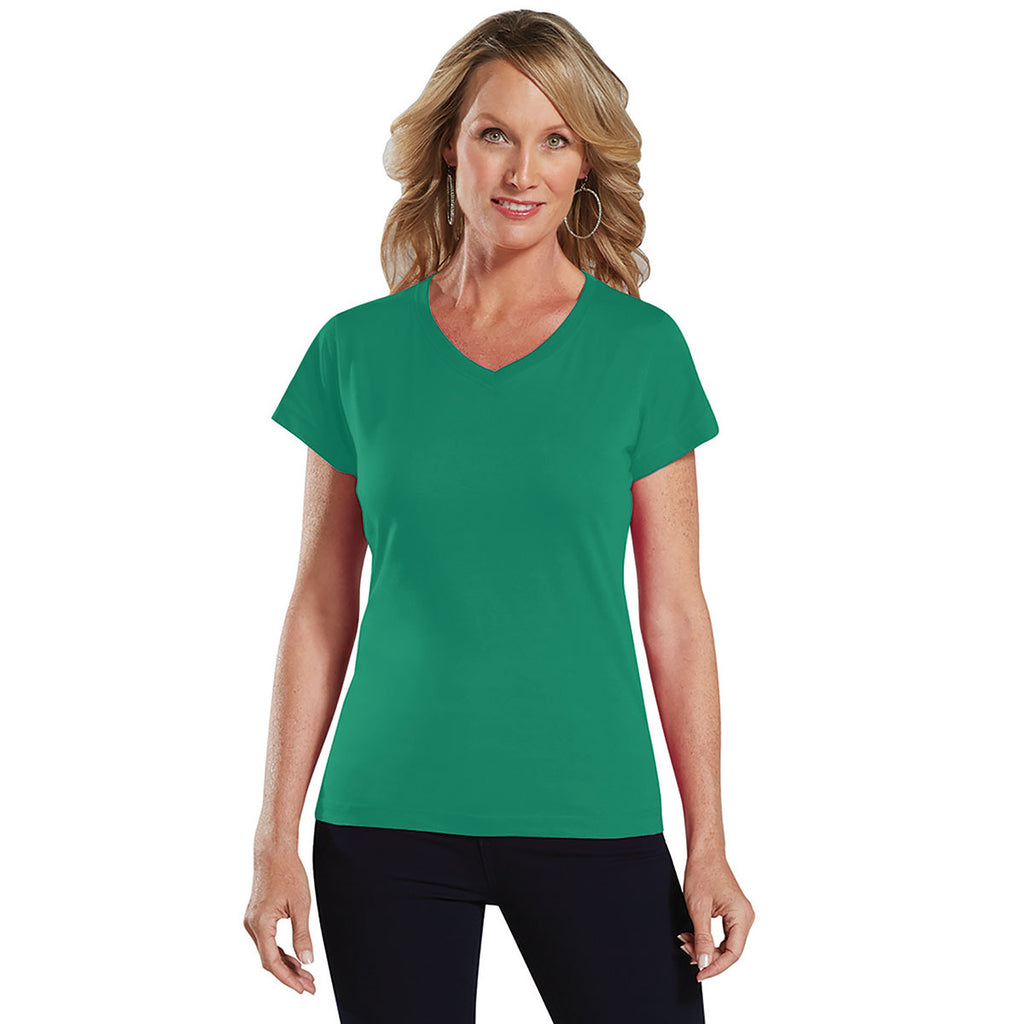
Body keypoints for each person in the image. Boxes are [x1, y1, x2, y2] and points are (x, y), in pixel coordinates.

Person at [244, 10, 754, 1023]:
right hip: (384, 816)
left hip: (591, 808)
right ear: (450, 147)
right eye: (495, 133)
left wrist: (708, 843)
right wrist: (273, 836)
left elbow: (675, 614)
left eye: (555, 139)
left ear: (585, 163)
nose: (523, 171)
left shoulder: (642, 351)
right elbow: (320, 604)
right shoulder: (356, 350)